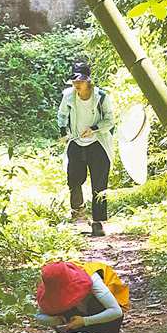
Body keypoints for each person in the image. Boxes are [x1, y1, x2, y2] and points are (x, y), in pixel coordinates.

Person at [57, 60, 115, 236]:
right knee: (74, 178)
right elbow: (61, 115)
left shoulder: (101, 97)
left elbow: (110, 120)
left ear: (88, 81)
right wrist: (63, 132)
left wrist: (94, 129)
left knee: (99, 182)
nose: (77, 85)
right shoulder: (68, 96)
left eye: (80, 82)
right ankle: (78, 214)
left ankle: (98, 223)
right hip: (76, 141)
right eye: (74, 82)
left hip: (98, 143)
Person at [36, 260, 129, 333]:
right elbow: (40, 316)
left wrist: (84, 321)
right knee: (59, 312)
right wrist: (58, 320)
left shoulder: (92, 277)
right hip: (74, 323)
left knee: (97, 305)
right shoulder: (50, 289)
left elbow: (116, 311)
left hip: (101, 314)